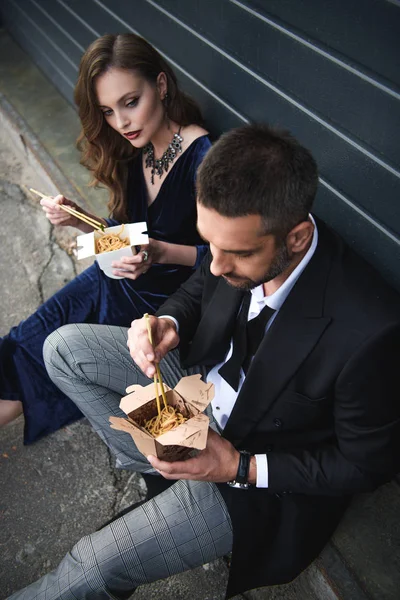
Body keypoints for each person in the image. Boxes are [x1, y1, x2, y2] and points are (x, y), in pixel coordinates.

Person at [9, 124, 400, 599]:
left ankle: (176, 488)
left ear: (296, 239)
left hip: (250, 475)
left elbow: (364, 466)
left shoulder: (369, 329)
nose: (215, 265)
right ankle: (158, 469)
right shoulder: (234, 244)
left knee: (91, 565)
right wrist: (170, 322)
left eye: (235, 253)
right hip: (197, 400)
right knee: (63, 348)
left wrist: (238, 467)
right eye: (208, 244)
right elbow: (200, 284)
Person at [0, 33, 210, 443]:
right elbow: (124, 235)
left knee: (50, 362)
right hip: (109, 282)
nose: (121, 123)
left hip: (154, 312)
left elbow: (226, 259)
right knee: (20, 345)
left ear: (162, 85)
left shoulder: (203, 158)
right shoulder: (136, 149)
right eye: (108, 111)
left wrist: (161, 251)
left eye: (131, 102)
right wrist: (78, 222)